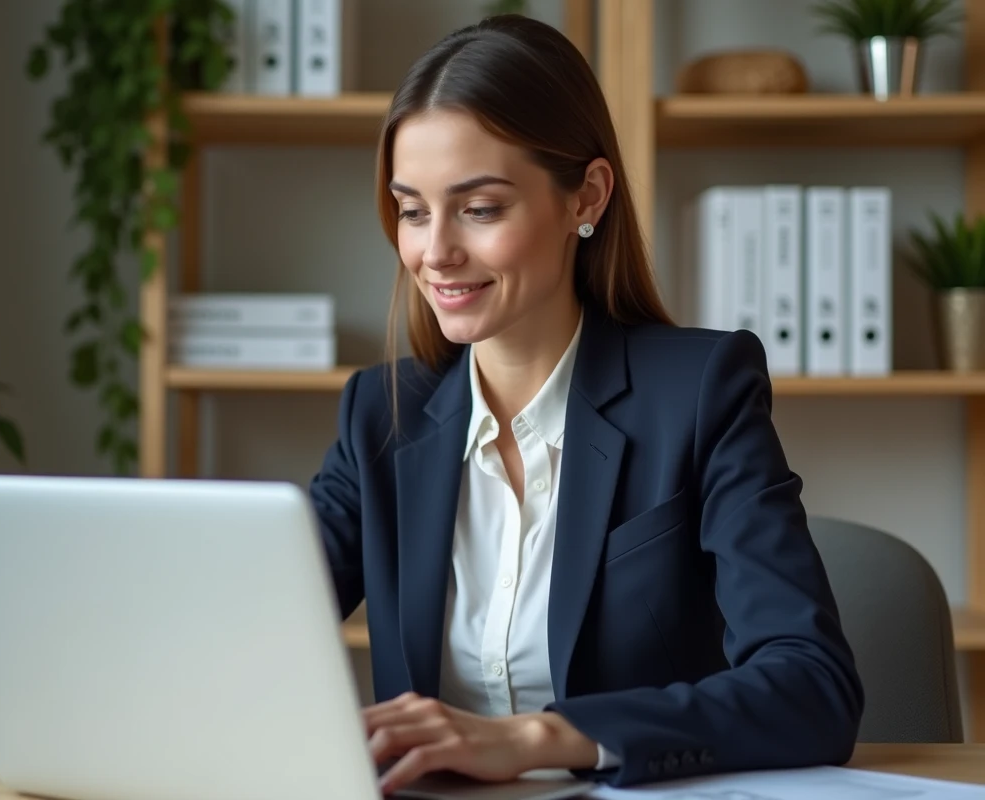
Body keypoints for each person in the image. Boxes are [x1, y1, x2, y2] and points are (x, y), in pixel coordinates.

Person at [307, 13, 864, 795]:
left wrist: (541, 738)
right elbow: (242, 632)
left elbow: (814, 688)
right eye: (411, 209)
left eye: (480, 208)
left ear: (586, 197)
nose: (435, 252)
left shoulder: (701, 393)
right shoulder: (379, 415)